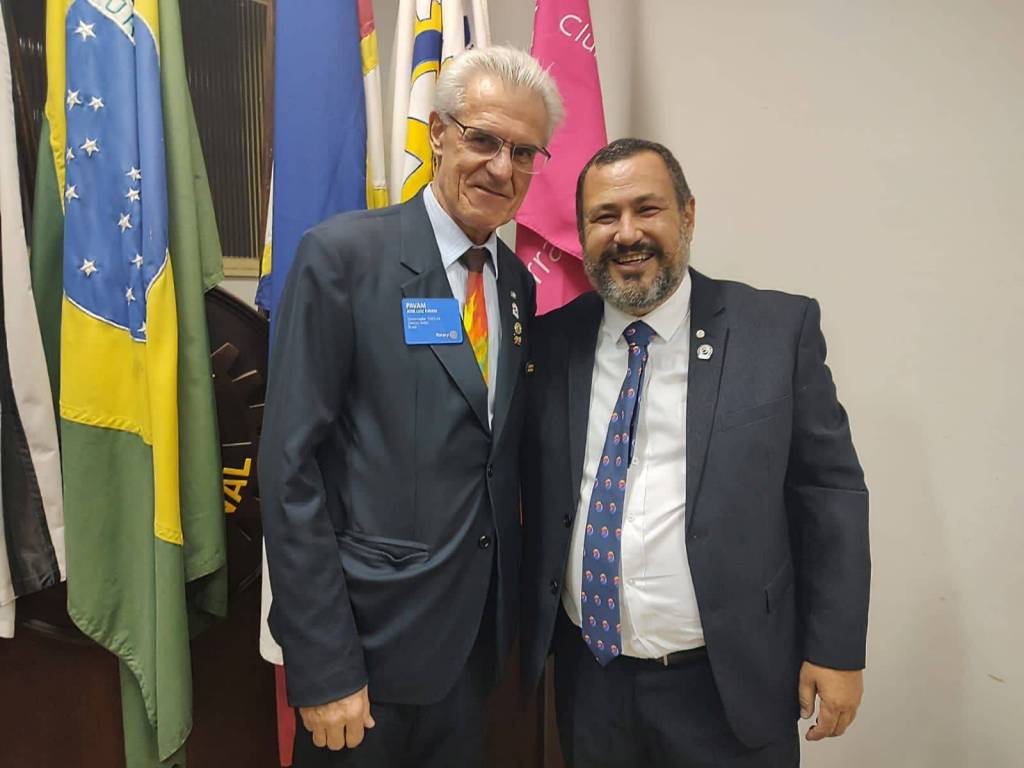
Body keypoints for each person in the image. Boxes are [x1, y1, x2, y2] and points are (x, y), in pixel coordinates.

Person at [259, 46, 563, 768]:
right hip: (365, 656)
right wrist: (325, 664)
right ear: (438, 134)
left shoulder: (516, 284)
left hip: (472, 652)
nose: (501, 168)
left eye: (524, 152)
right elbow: (290, 470)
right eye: (483, 139)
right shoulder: (342, 258)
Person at [520, 138, 869, 766]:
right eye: (605, 216)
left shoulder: (774, 332)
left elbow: (830, 494)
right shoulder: (550, 343)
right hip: (591, 682)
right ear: (582, 234)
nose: (627, 233)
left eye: (647, 208)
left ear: (687, 214)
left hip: (728, 685)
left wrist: (836, 649)